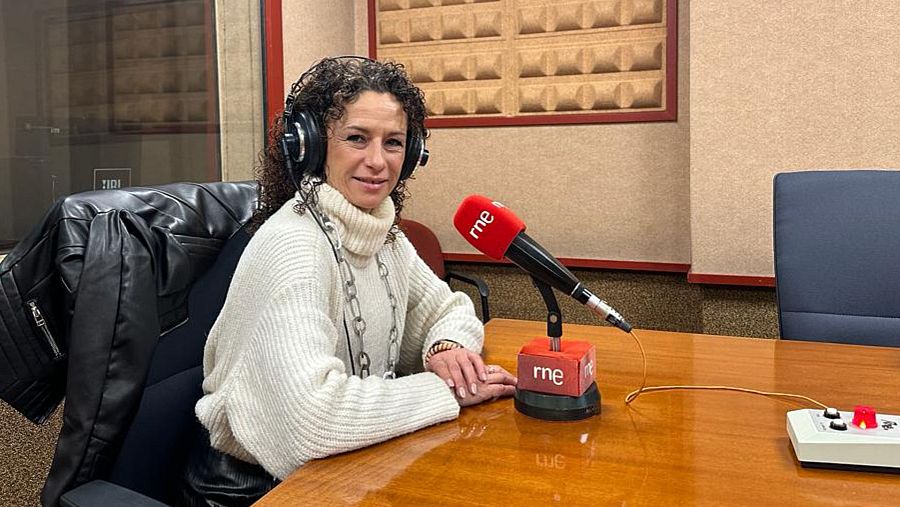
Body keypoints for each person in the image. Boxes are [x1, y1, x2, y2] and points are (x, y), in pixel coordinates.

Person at [179, 56, 517, 505]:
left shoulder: (380, 231)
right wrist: (443, 391)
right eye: (357, 138)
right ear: (311, 145)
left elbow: (447, 307)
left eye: (394, 142)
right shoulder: (294, 246)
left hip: (342, 467)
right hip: (254, 489)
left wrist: (445, 348)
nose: (377, 162)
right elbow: (312, 421)